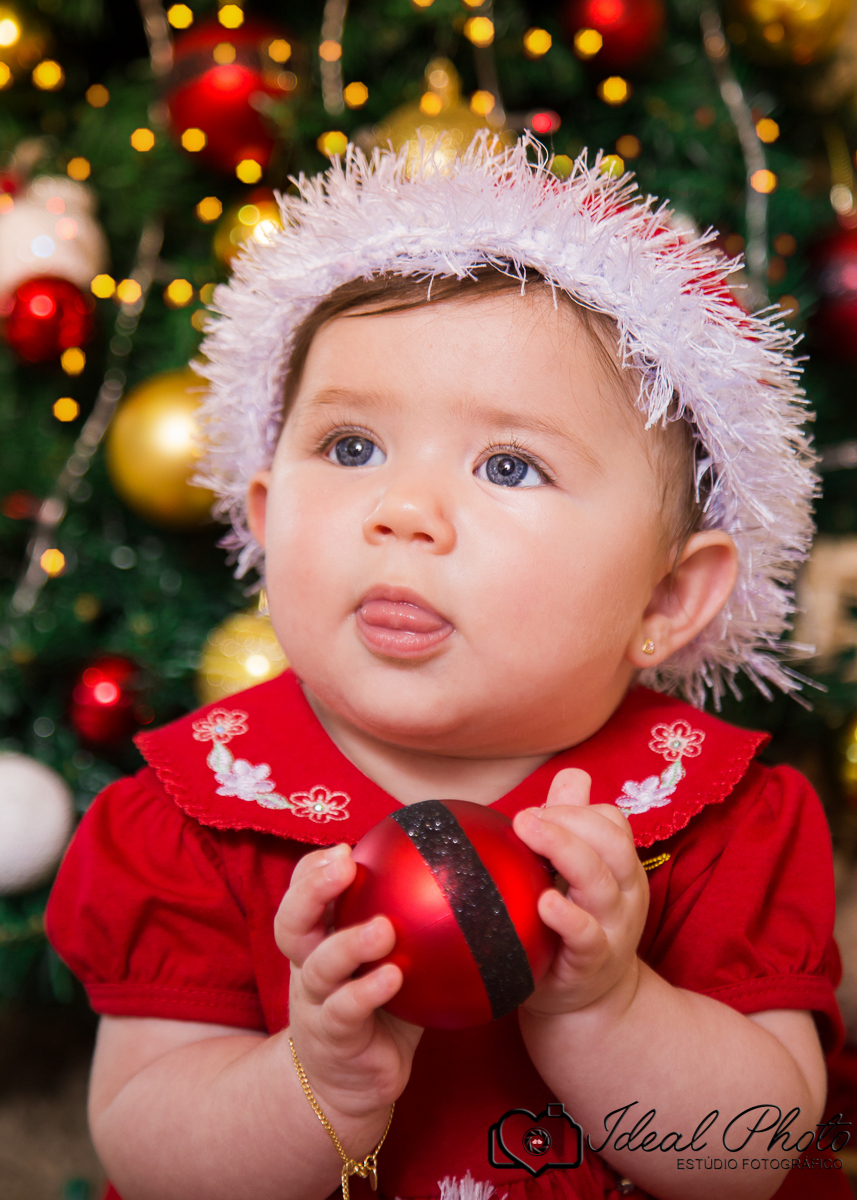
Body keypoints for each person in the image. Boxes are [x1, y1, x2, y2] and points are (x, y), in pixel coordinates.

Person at [46, 136, 844, 1200]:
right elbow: (149, 1157)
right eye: (349, 448)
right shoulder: (191, 817)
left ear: (663, 600)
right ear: (265, 519)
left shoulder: (716, 820)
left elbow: (745, 1160)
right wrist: (310, 1079)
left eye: (508, 465)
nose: (403, 513)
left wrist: (603, 1006)